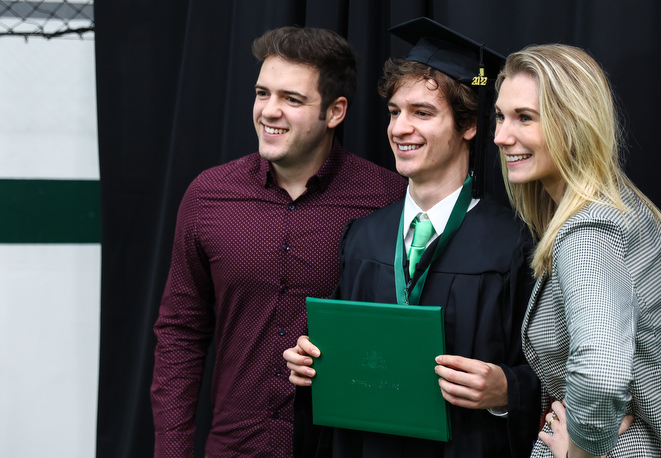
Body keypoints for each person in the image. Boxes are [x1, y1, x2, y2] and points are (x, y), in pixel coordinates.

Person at [284, 18, 541, 458]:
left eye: (422, 113)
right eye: (394, 112)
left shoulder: (515, 244)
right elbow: (342, 356)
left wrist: (507, 390)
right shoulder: (363, 238)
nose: (400, 128)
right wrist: (310, 359)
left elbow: (558, 377)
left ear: (468, 125)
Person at [150, 26, 407, 457]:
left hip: (342, 446)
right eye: (262, 93)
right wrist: (172, 449)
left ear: (335, 111)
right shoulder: (209, 195)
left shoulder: (388, 200)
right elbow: (181, 331)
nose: (269, 111)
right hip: (235, 448)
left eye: (291, 99)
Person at [493, 44, 661, 457]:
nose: (502, 136)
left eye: (525, 118)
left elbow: (603, 373)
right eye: (500, 116)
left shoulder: (589, 231)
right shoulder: (622, 205)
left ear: (573, 124)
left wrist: (583, 449)